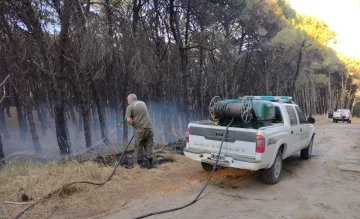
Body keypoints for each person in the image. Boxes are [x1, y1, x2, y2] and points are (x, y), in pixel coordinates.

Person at [125, 94, 155, 169]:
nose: (128, 102)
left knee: (138, 145)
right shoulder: (143, 103)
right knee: (149, 144)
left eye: (128, 100)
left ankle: (139, 165)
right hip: (149, 127)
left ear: (131, 100)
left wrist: (134, 125)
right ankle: (150, 164)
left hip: (139, 129)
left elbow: (128, 120)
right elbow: (140, 114)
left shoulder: (130, 107)